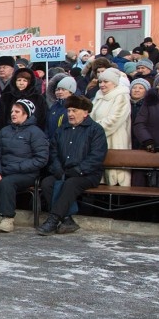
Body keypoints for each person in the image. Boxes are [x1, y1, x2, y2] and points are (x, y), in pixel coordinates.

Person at [37, 95, 108, 235]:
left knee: (71, 183)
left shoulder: (96, 130)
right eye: (69, 111)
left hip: (87, 174)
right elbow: (53, 151)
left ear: (85, 112)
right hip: (64, 171)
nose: (70, 114)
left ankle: (53, 219)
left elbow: (97, 156)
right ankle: (67, 220)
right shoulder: (62, 129)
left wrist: (79, 170)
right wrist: (57, 168)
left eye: (74, 111)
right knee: (47, 182)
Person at [0, 100, 50, 233]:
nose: (13, 114)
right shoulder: (5, 131)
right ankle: (0, 212)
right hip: (4, 171)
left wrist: (15, 168)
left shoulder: (35, 132)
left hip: (27, 173)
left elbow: (41, 159)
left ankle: (8, 218)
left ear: (26, 115)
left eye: (17, 112)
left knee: (7, 183)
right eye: (12, 111)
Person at [91, 68, 132, 186]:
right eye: (100, 82)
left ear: (114, 83)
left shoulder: (121, 96)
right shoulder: (98, 97)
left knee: (115, 176)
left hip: (115, 140)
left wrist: (94, 129)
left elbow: (115, 119)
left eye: (106, 82)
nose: (102, 85)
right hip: (98, 141)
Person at [0, 66, 47, 132]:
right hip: (10, 132)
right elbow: (1, 118)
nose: (21, 83)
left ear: (30, 82)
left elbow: (42, 119)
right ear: (14, 81)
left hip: (32, 133)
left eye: (25, 80)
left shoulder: (38, 98)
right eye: (19, 80)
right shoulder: (6, 97)